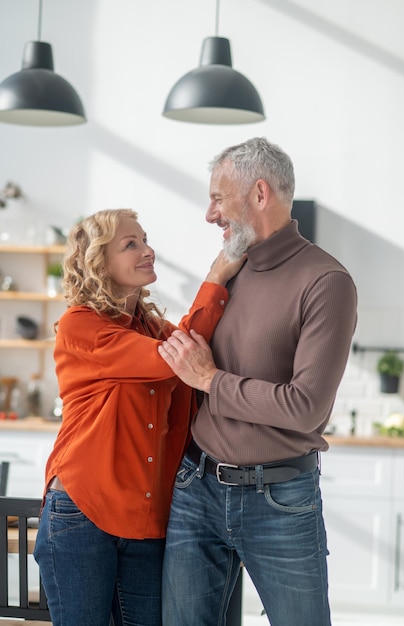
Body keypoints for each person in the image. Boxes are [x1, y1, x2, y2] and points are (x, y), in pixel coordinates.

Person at [158, 138, 358, 626]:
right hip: (196, 486)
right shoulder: (230, 268)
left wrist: (211, 380)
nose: (210, 214)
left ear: (260, 193)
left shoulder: (326, 282)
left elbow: (305, 407)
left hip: (280, 499)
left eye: (218, 198)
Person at [33, 208, 244, 626]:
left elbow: (188, 352)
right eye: (131, 244)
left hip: (147, 520)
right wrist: (217, 276)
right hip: (81, 513)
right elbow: (172, 361)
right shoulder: (81, 326)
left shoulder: (155, 328)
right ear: (99, 262)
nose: (149, 251)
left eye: (145, 240)